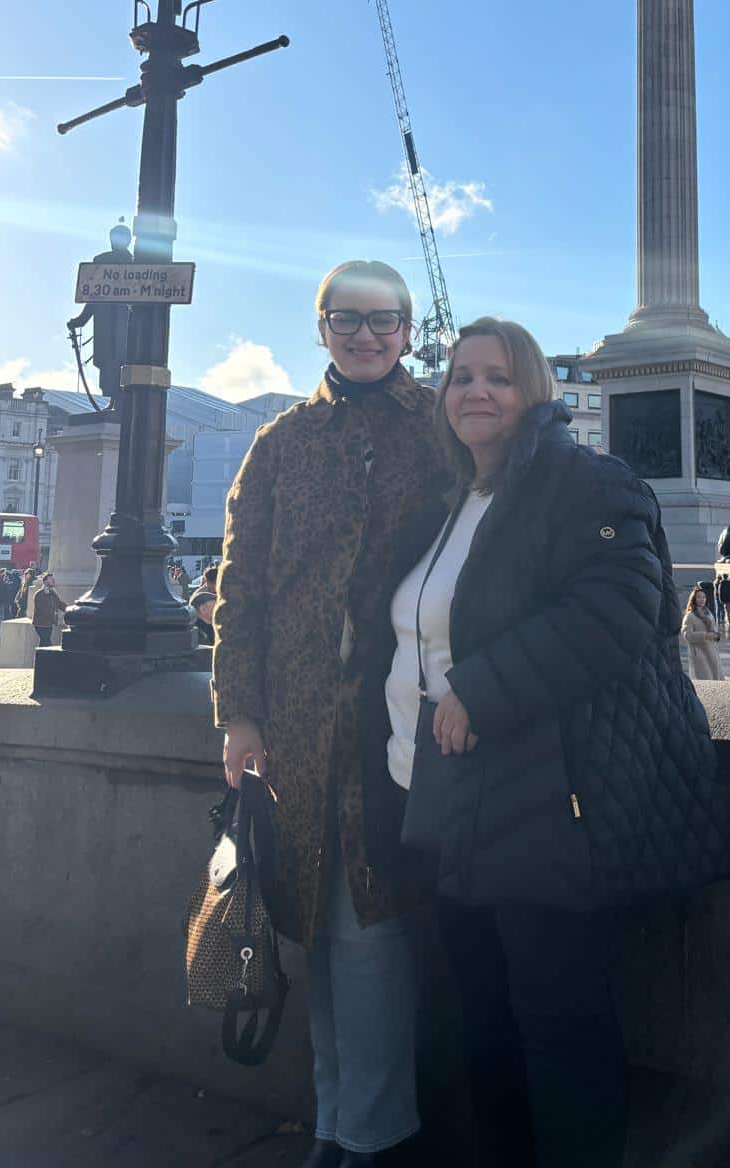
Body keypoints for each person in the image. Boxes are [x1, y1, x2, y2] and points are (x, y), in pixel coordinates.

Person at [387, 317, 728, 1168]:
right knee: (481, 1020)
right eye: (461, 375)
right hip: (449, 800)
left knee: (560, 1025)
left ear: (534, 391)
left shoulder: (586, 481)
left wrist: (482, 689)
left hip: (548, 797)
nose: (476, 390)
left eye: (499, 377)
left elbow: (619, 610)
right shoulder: (450, 499)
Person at [212, 260, 446, 1168]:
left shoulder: (440, 427)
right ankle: (335, 1123)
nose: (365, 335)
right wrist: (239, 714)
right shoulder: (280, 441)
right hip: (299, 726)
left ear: (408, 330)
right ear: (321, 329)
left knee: (370, 924)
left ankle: (372, 1132)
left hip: (398, 717)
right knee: (309, 920)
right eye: (346, 319)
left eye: (383, 320)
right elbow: (240, 588)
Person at [681, 586, 723, 682]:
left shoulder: (708, 613)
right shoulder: (690, 616)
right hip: (699, 653)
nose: (702, 599)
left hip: (712, 651)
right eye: (699, 597)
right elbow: (687, 635)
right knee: (705, 680)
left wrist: (716, 635)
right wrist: (704, 635)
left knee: (715, 680)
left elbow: (714, 630)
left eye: (704, 597)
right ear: (694, 599)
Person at [31, 573, 66, 648]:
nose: (53, 580)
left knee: (44, 642)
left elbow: (59, 603)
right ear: (45, 581)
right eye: (50, 579)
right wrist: (53, 615)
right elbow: (41, 610)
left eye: (53, 579)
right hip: (40, 624)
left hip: (49, 623)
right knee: (46, 642)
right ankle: (46, 654)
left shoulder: (52, 593)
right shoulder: (39, 594)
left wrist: (69, 609)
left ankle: (40, 654)